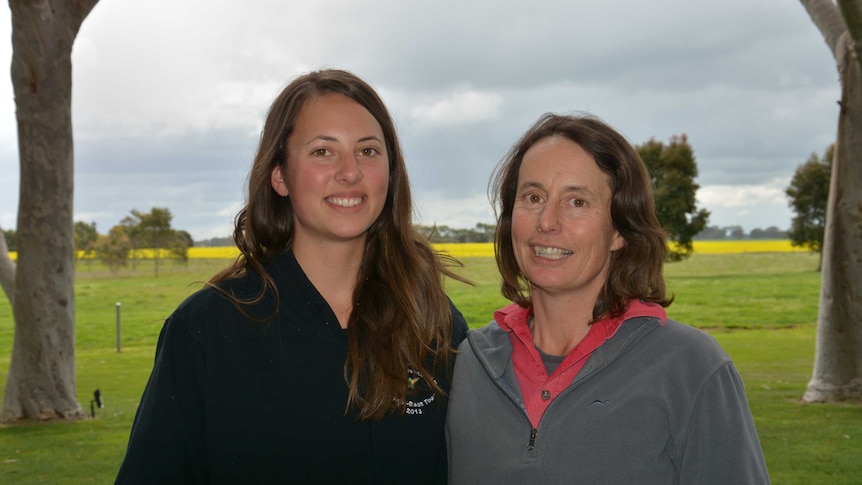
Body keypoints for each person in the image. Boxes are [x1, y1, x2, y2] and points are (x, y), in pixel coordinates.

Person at [116, 69, 467, 485]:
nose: (350, 172)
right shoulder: (207, 330)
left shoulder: (432, 321)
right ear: (279, 176)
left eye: (369, 151)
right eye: (323, 152)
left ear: (390, 174)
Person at [446, 113, 770, 484]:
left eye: (577, 202)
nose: (547, 222)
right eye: (533, 197)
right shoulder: (468, 363)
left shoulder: (691, 368)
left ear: (619, 230)